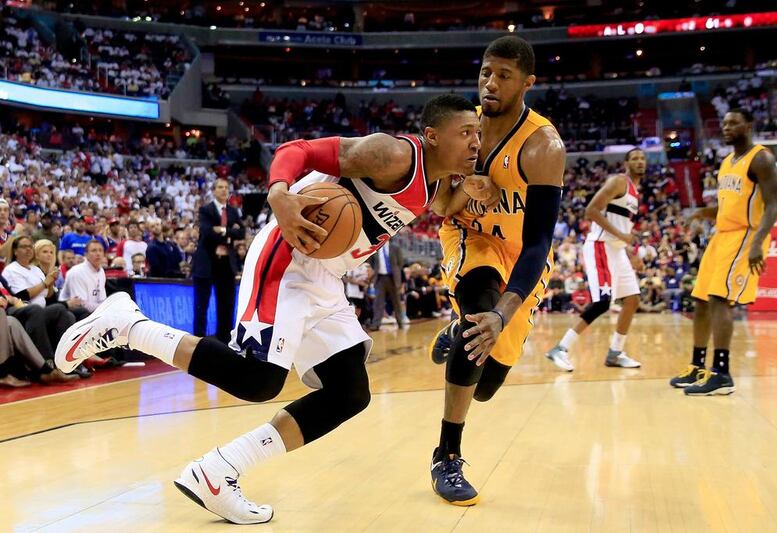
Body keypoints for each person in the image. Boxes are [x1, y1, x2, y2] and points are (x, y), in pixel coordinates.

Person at [55, 94, 485, 525]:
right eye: (466, 133)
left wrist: (472, 188)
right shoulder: (391, 154)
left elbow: (441, 204)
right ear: (431, 136)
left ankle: (218, 471)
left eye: (478, 134)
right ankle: (129, 326)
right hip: (289, 255)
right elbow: (294, 151)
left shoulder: (436, 180)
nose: (475, 142)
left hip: (325, 276)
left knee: (349, 393)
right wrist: (279, 195)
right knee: (259, 380)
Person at [426, 36, 564, 506]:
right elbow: (442, 206)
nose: (490, 82)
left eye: (503, 75)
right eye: (486, 71)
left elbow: (539, 243)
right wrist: (469, 190)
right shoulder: (465, 129)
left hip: (522, 254)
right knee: (476, 321)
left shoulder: (543, 145)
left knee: (485, 386)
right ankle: (447, 454)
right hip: (470, 238)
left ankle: (464, 326)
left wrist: (505, 314)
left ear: (527, 82)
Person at [670, 109, 777, 395]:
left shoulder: (761, 158)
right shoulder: (727, 162)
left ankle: (722, 372)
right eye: (725, 123)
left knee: (720, 299)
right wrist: (701, 213)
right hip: (722, 236)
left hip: (746, 235)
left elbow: (773, 204)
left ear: (749, 125)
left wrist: (758, 242)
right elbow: (726, 208)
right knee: (701, 300)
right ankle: (698, 366)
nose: (727, 127)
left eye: (734, 123)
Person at [544, 149, 647, 372]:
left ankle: (615, 353)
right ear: (626, 163)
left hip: (617, 251)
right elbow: (591, 211)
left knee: (632, 300)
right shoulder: (619, 182)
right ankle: (560, 349)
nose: (640, 162)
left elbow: (623, 229)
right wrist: (623, 238)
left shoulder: (635, 193)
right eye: (635, 158)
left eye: (643, 158)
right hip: (600, 246)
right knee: (602, 302)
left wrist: (630, 252)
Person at [192, 179, 244, 342]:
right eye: (220, 187)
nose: (224, 190)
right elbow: (207, 233)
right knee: (201, 306)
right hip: (207, 263)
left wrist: (221, 230)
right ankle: (198, 342)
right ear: (214, 191)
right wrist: (229, 232)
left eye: (226, 188)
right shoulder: (205, 210)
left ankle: (225, 342)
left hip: (226, 264)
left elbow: (241, 232)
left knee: (227, 306)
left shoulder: (233, 211)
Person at [366, 239, 406, 330]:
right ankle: (376, 324)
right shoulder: (375, 248)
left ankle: (400, 322)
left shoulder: (395, 247)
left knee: (397, 302)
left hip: (393, 278)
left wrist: (396, 273)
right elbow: (371, 262)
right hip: (380, 278)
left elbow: (400, 263)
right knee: (378, 303)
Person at [59, 240, 107, 316]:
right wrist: (105, 309)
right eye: (94, 250)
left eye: (100, 250)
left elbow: (102, 299)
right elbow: (81, 304)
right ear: (86, 254)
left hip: (94, 311)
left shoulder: (101, 271)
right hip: (70, 313)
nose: (98, 253)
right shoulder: (76, 272)